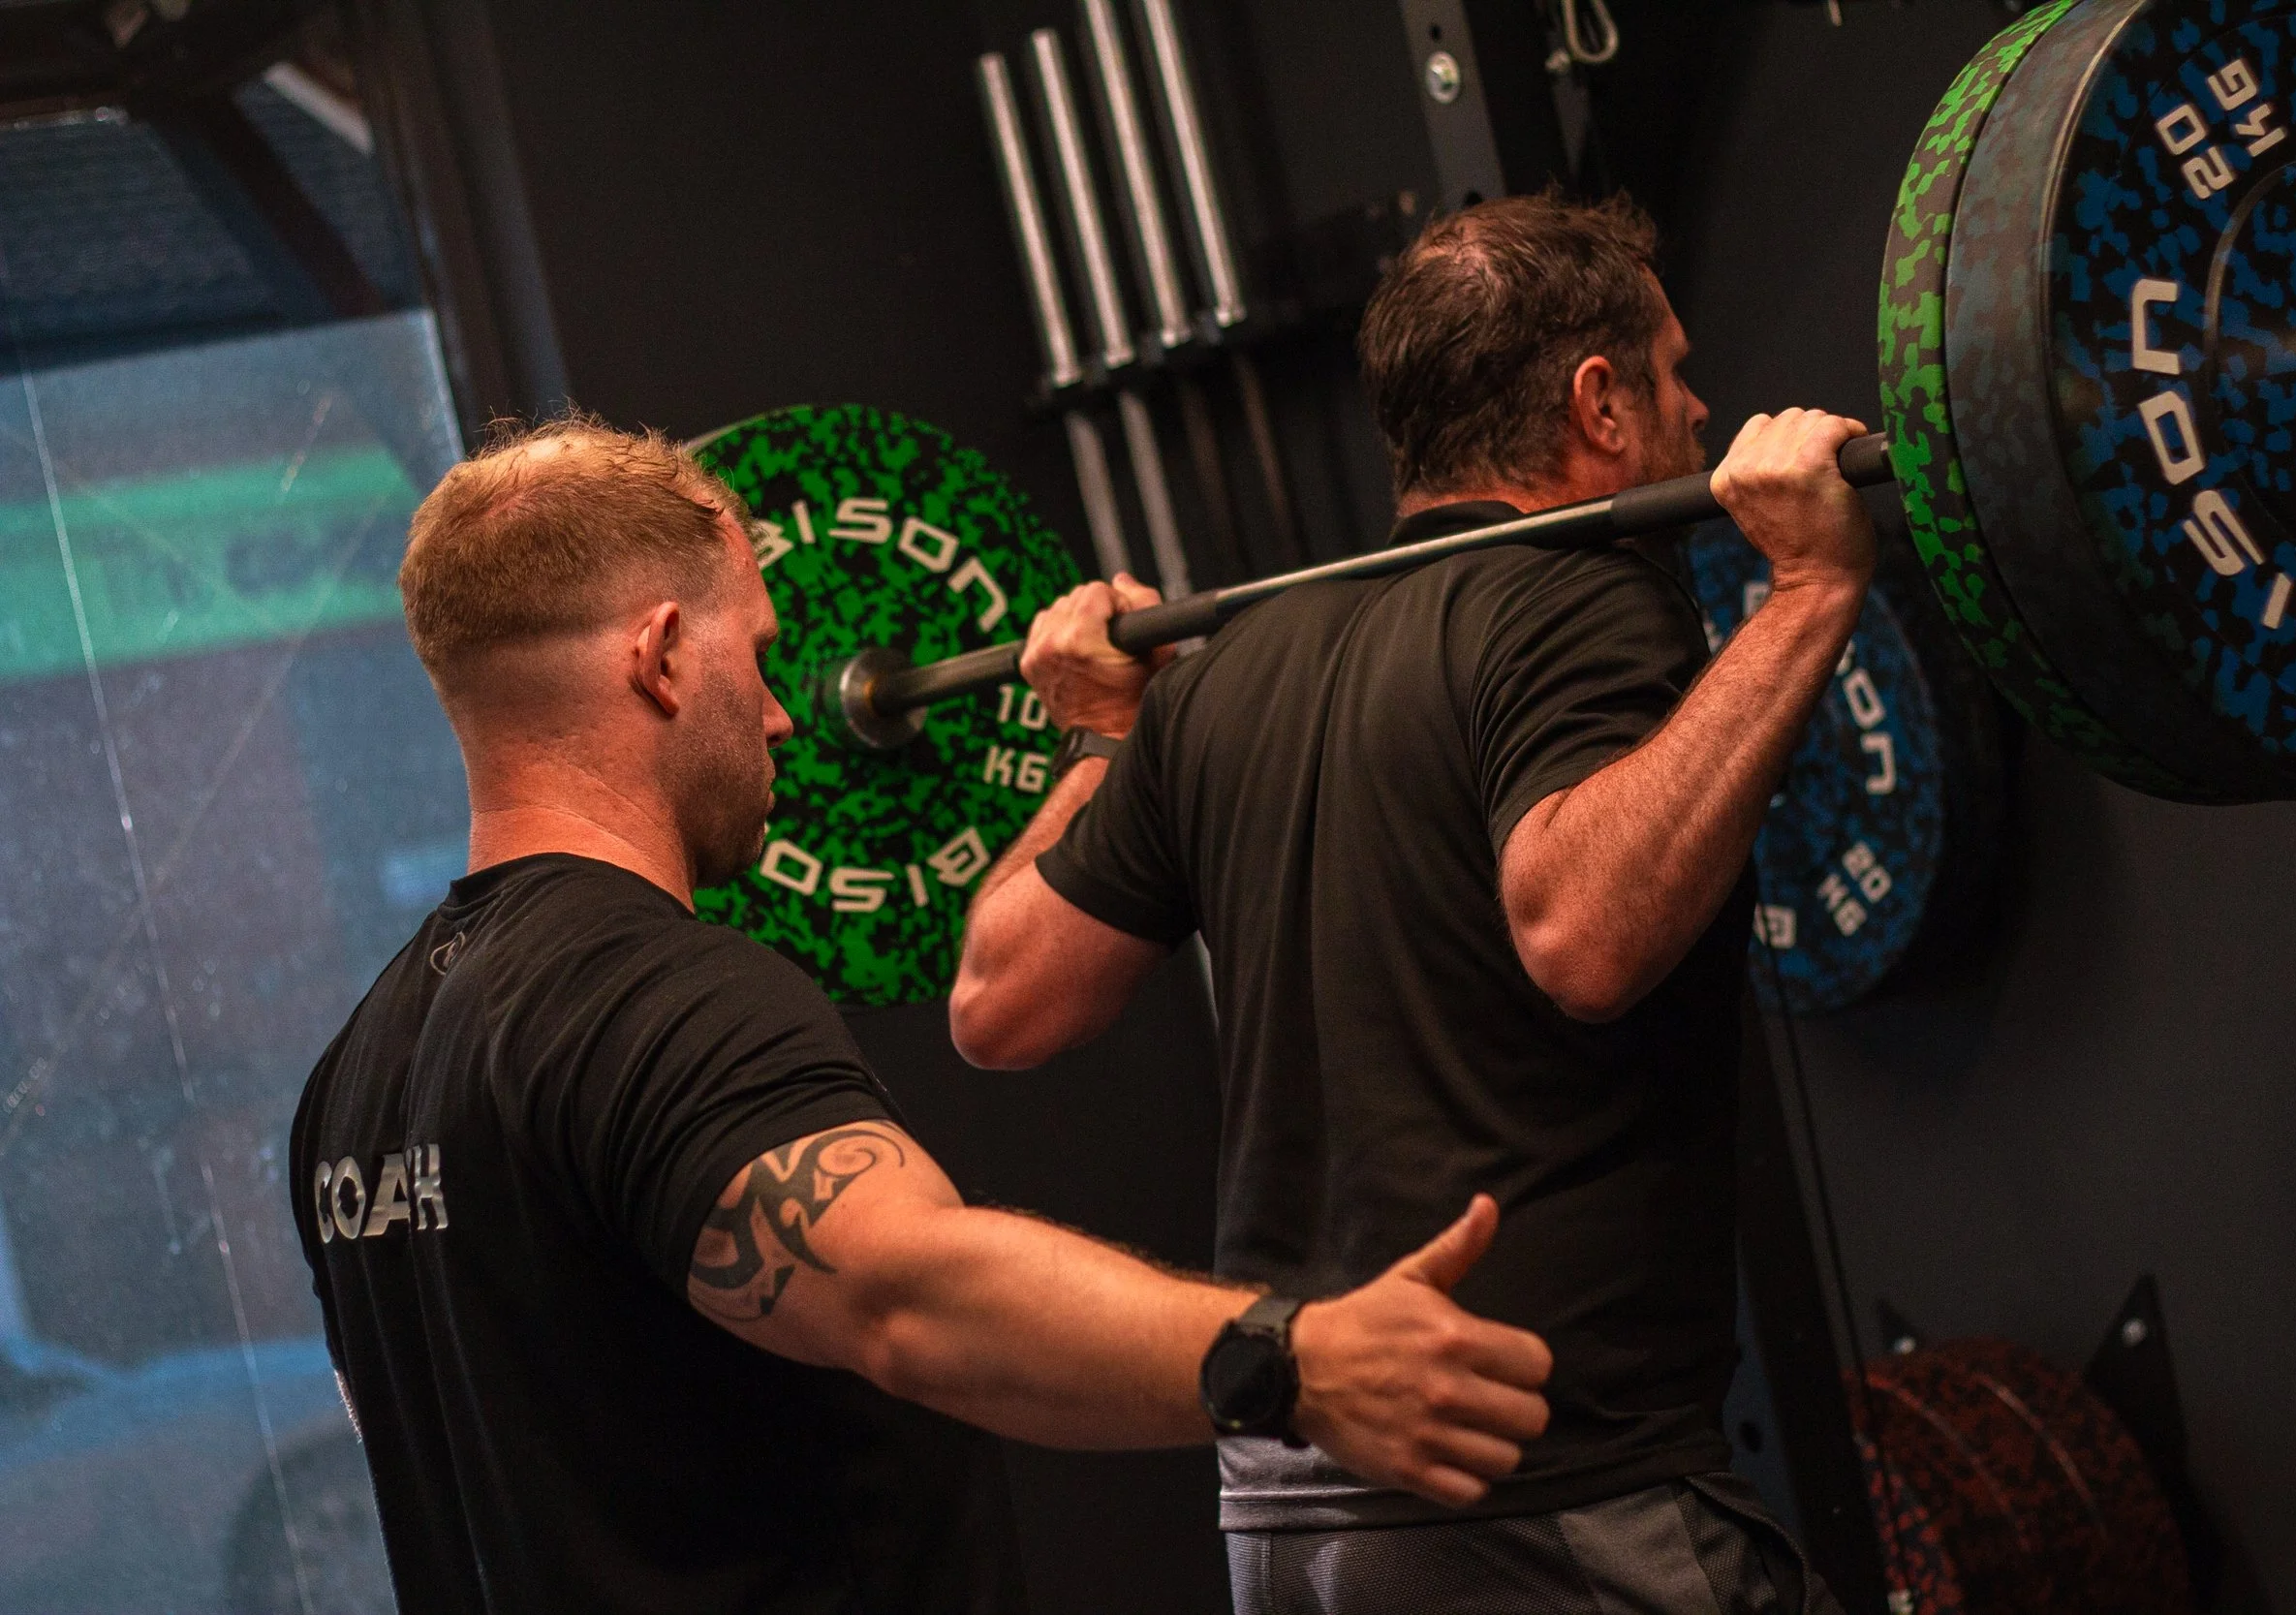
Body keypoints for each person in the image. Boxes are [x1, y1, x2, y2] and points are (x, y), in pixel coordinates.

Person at [288, 417, 1558, 1614]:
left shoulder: (355, 1080)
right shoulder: (659, 999)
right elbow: (907, 1293)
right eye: (761, 654)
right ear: (663, 655)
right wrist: (1296, 1359)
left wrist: (1100, 743)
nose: (784, 712)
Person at [951, 193, 1869, 1613]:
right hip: (1540, 1502)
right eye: (1675, 373)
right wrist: (1807, 588)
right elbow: (1585, 932)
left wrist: (1099, 732)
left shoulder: (1230, 672)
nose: (1701, 410)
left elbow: (997, 997)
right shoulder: (1579, 599)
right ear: (1600, 404)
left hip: (1288, 1510)